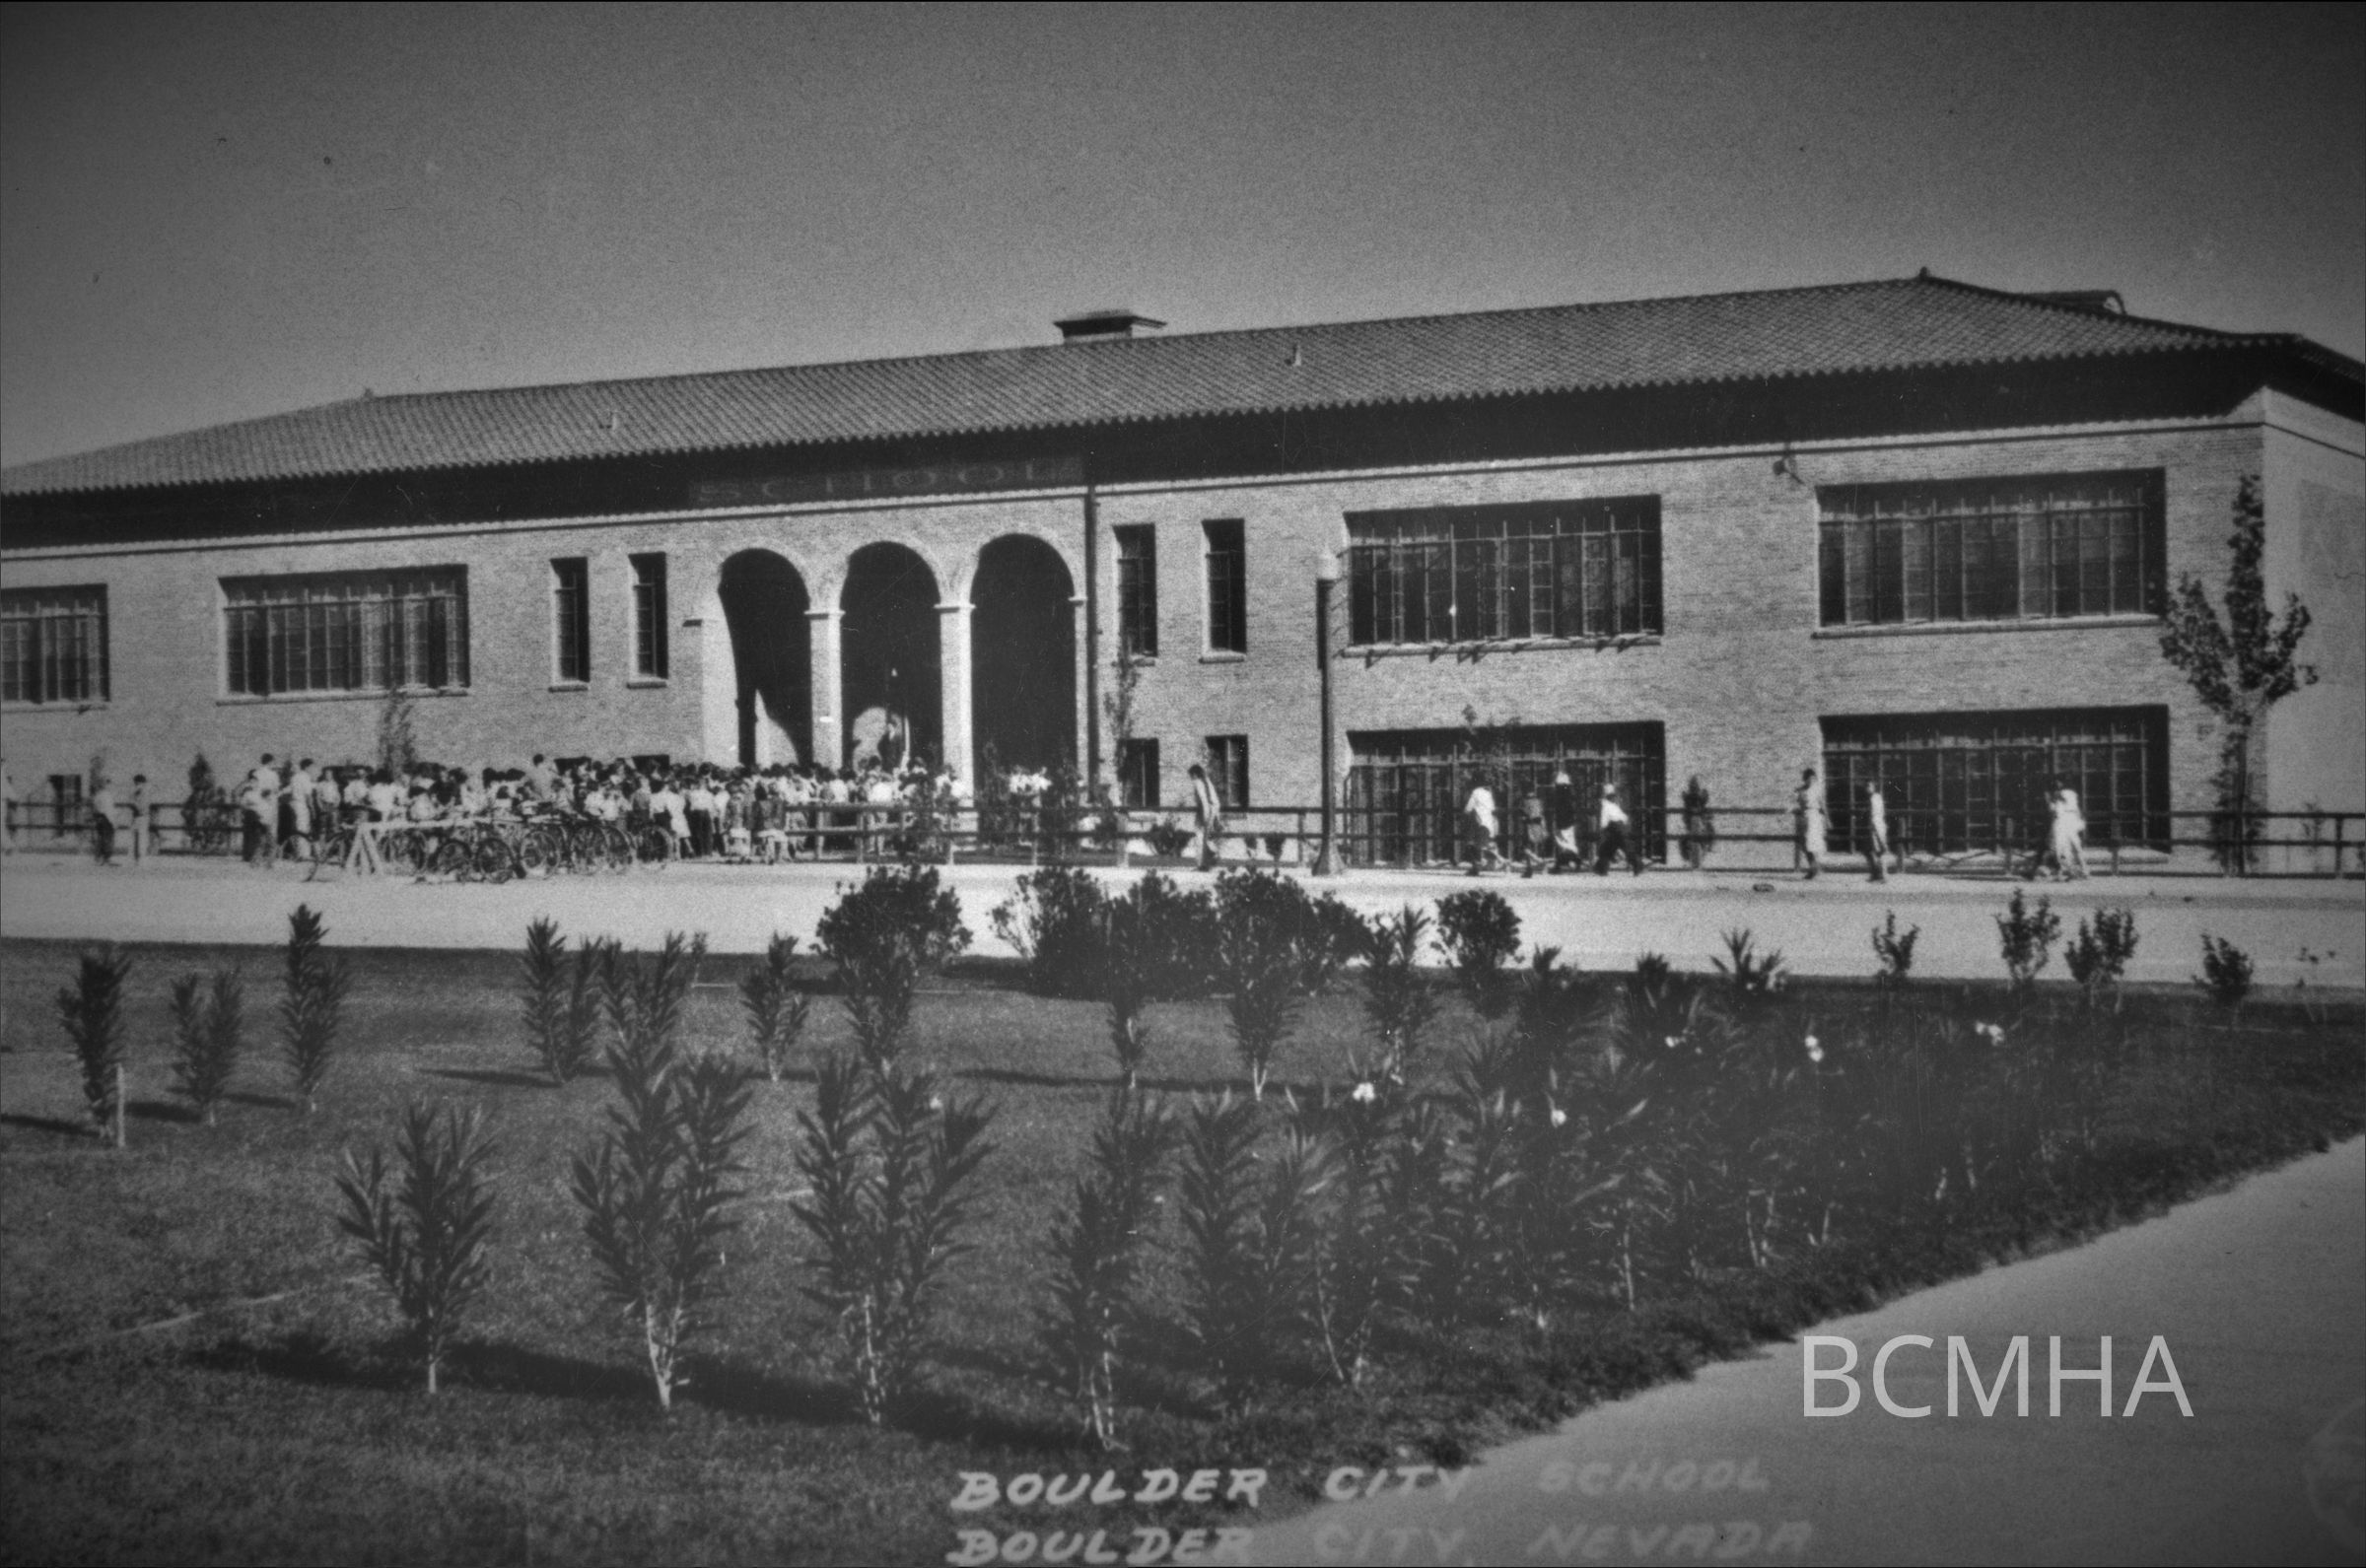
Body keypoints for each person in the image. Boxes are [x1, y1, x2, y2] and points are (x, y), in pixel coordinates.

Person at [1594, 782, 1641, 876]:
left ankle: (1637, 865)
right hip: (1620, 828)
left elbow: (1604, 821)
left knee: (1611, 848)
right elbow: (1624, 817)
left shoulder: (1605, 805)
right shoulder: (1614, 805)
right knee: (1610, 848)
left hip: (1614, 828)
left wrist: (1602, 829)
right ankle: (1601, 869)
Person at [2049, 777, 2089, 881]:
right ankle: (2076, 870)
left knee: (2066, 847)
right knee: (2068, 847)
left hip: (2065, 820)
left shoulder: (2066, 794)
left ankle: (2070, 871)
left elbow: (2055, 810)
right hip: (2065, 820)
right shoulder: (2070, 794)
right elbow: (2055, 810)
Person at [1189, 762, 1225, 871]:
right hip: (1212, 811)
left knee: (1200, 838)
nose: (1191, 778)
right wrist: (1216, 816)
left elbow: (1203, 800)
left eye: (1191, 775)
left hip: (1204, 811)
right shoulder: (1208, 782)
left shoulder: (1198, 783)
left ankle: (1202, 863)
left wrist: (1205, 816)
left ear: (1195, 774)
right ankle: (1207, 863)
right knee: (1207, 837)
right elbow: (1216, 801)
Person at [1461, 777, 1501, 875]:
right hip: (1489, 823)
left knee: (1471, 844)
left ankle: (1477, 866)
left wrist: (1464, 814)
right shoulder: (1488, 793)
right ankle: (1481, 864)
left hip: (1479, 823)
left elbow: (1468, 809)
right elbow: (1492, 808)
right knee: (1482, 845)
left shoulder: (1475, 792)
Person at [1794, 767, 1827, 880]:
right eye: (1809, 779)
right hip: (1805, 817)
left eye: (1813, 779)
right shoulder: (1800, 790)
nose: (1811, 781)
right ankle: (1813, 867)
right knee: (1804, 844)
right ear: (1805, 779)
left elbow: (1822, 805)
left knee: (1813, 843)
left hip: (1814, 817)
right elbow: (1795, 803)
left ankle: (1814, 869)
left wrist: (1827, 820)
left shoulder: (1816, 790)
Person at [1679, 775, 1714, 869]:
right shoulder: (1690, 798)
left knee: (1710, 830)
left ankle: (1709, 846)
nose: (1694, 788)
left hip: (1699, 821)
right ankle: (1687, 856)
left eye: (1694, 786)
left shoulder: (1697, 798)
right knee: (1683, 839)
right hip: (1693, 822)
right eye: (1693, 786)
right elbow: (1685, 813)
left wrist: (1707, 816)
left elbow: (1705, 806)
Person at [1861, 778, 1892, 883]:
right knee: (1868, 851)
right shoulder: (1877, 797)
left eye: (1869, 786)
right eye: (1866, 786)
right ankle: (1875, 873)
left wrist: (1876, 832)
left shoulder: (1873, 799)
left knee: (1879, 851)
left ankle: (1883, 875)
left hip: (1875, 827)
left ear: (1874, 787)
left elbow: (1874, 815)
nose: (1867, 788)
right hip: (1875, 826)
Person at [1518, 781, 1549, 878]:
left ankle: (1536, 864)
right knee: (1537, 847)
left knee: (1525, 847)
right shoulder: (1538, 801)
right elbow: (1541, 814)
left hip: (1530, 826)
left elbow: (1524, 815)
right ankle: (1533, 867)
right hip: (1539, 825)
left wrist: (1523, 820)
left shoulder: (1525, 801)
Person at [89, 775, 118, 865]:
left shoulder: (97, 795)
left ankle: (99, 858)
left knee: (101, 838)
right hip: (106, 818)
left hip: (99, 818)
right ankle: (107, 858)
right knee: (108, 838)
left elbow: (94, 807)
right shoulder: (107, 795)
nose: (109, 785)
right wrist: (113, 822)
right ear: (105, 784)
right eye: (107, 783)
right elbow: (108, 810)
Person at [127, 774, 152, 865]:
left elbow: (131, 802)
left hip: (137, 816)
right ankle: (141, 858)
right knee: (142, 837)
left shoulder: (136, 791)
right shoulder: (144, 791)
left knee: (134, 837)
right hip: (143, 815)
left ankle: (135, 858)